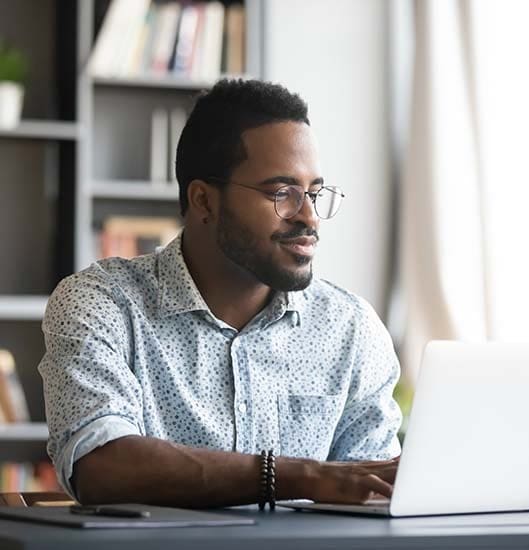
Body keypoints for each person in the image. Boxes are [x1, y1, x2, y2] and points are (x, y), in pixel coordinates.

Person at [39, 78, 402, 508]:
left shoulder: (350, 328)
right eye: (282, 193)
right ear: (204, 201)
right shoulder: (100, 304)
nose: (309, 217)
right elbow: (103, 467)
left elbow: (375, 491)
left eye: (314, 193)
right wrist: (298, 476)